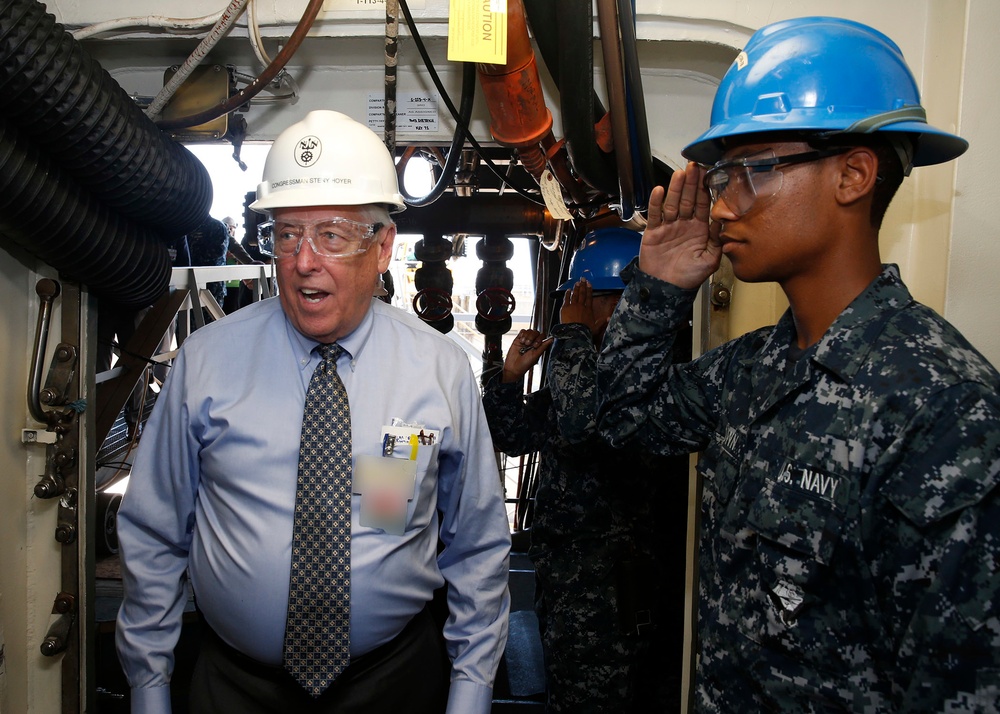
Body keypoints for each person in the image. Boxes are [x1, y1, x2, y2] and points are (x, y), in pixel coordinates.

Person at [596, 16, 1000, 712]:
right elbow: (618, 421)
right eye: (724, 176)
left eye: (753, 171)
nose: (721, 206)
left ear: (853, 174)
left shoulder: (943, 407)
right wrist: (658, 287)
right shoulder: (753, 368)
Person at [115, 109, 511, 714]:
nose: (302, 261)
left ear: (381, 248)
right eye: (286, 234)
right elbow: (154, 533)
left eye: (331, 235)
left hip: (395, 683)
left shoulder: (437, 370)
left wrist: (471, 691)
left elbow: (476, 545)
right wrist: (148, 689)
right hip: (234, 687)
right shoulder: (206, 363)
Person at [483, 228, 687, 713]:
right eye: (575, 300)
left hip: (609, 588)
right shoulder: (582, 370)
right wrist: (511, 378)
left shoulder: (642, 376)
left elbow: (581, 427)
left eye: (586, 299)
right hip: (563, 573)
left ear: (626, 303)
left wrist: (572, 335)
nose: (575, 311)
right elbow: (514, 436)